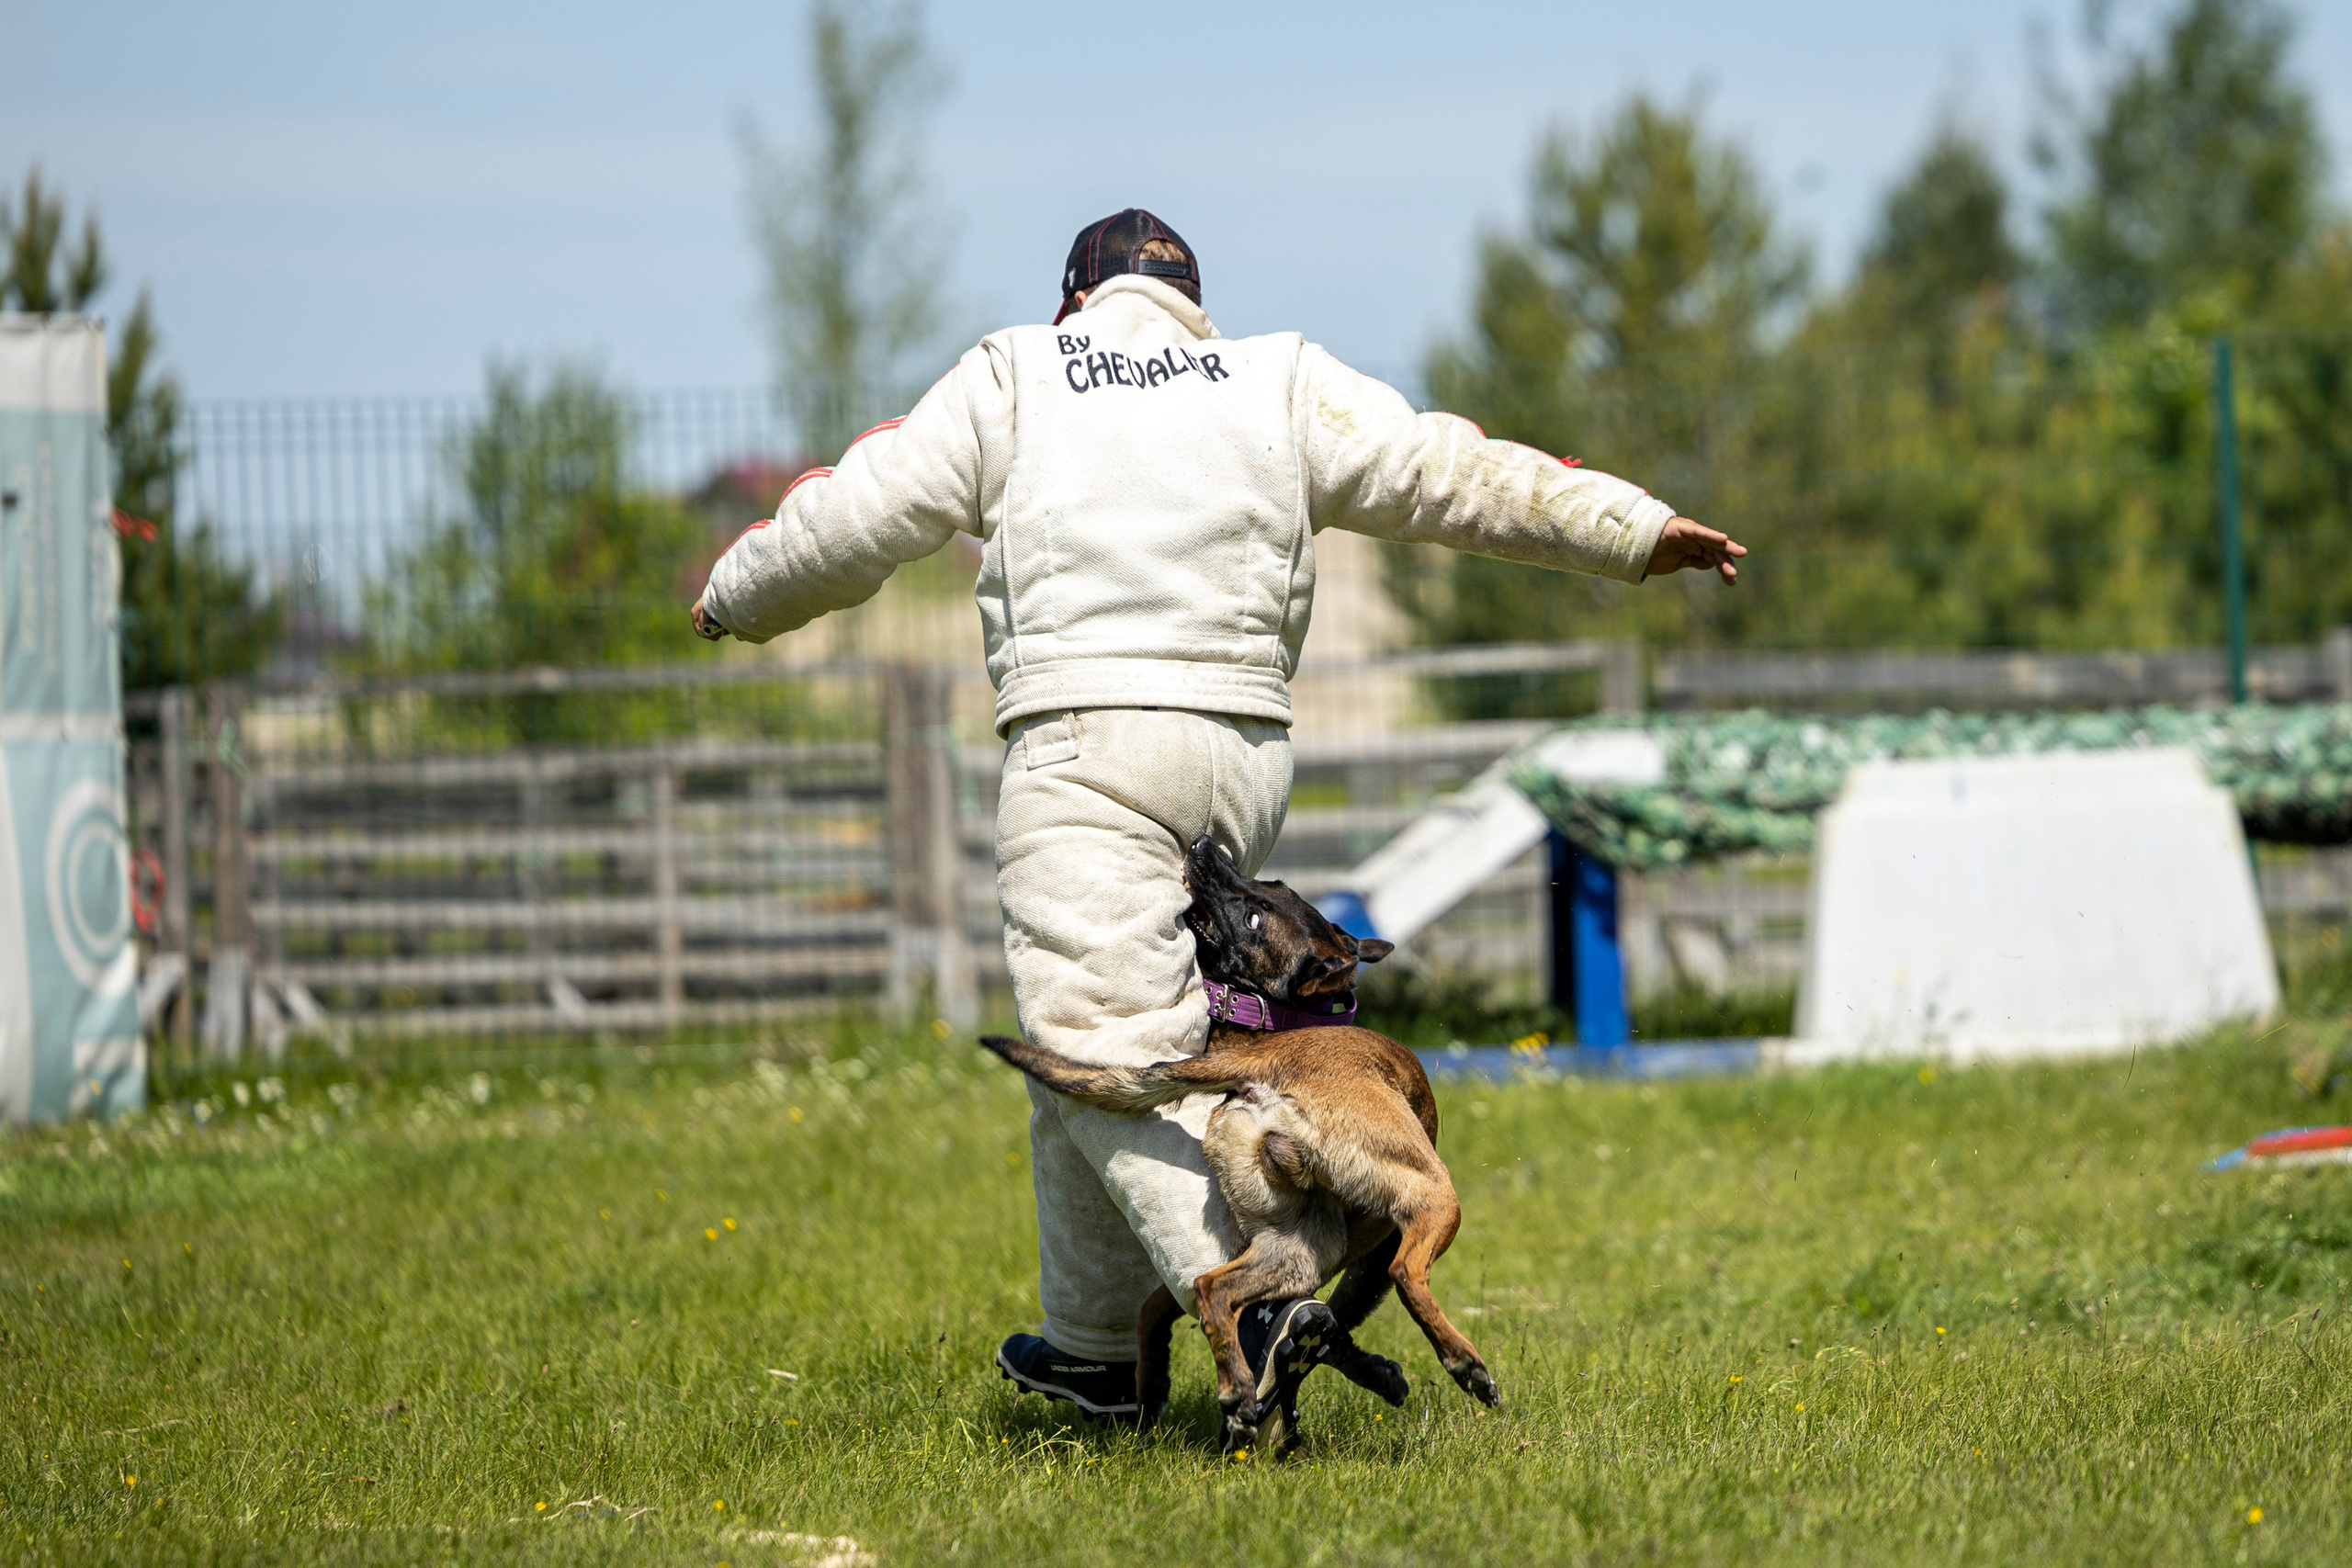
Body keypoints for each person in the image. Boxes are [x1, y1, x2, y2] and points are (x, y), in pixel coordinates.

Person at [691, 209, 1745, 1426]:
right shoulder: (1276, 379)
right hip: (1239, 756)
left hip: (1084, 748)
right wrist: (1630, 528)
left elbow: (852, 511)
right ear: (1196, 304)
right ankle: (1092, 1351)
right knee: (1091, 1056)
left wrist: (734, 596)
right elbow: (1451, 468)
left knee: (1116, 1058)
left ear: (1072, 301)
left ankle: (1263, 1294)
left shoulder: (1016, 373)